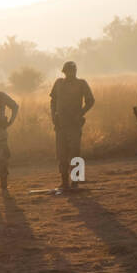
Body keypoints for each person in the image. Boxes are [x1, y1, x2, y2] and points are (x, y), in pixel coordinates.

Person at [49, 60, 94, 190]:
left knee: (75, 152)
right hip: (60, 124)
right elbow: (53, 101)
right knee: (61, 153)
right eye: (68, 71)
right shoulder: (58, 83)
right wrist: (54, 116)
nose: (70, 73)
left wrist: (80, 113)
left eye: (72, 70)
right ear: (64, 72)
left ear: (75, 71)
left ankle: (75, 182)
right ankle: (64, 181)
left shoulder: (81, 84)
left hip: (74, 124)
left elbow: (90, 101)